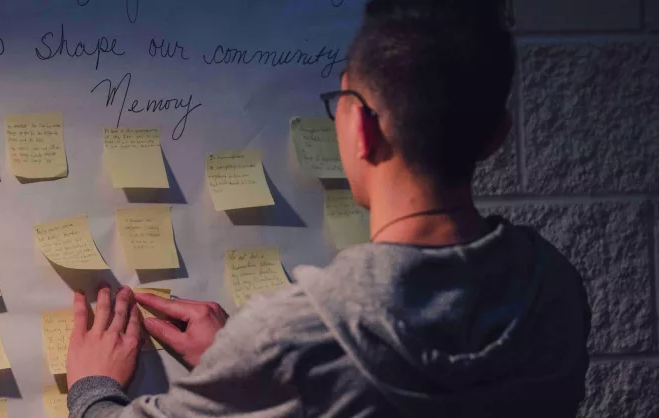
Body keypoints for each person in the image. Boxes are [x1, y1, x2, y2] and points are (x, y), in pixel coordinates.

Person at [64, 0, 591, 416]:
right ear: (497, 136)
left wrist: (93, 386)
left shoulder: (297, 335)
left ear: (359, 127)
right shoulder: (554, 288)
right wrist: (252, 372)